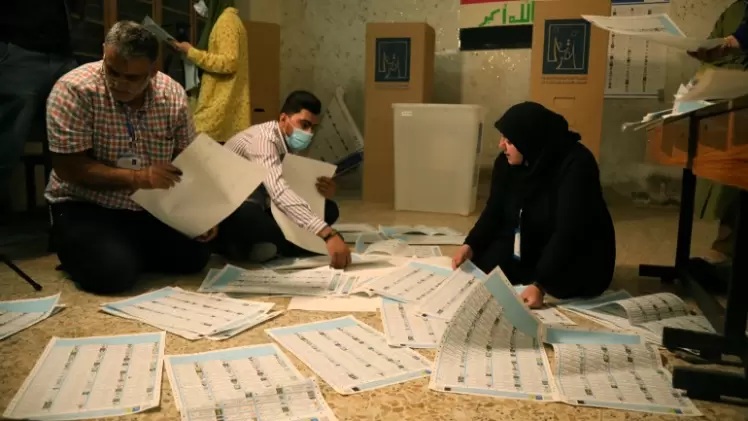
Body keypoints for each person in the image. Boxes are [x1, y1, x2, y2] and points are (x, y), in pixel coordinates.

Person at [45, 21, 217, 295]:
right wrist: (138, 178)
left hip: (149, 207)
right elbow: (69, 168)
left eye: (133, 77)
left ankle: (121, 251)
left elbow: (187, 158)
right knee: (111, 275)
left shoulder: (172, 95)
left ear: (153, 70)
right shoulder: (73, 89)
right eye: (112, 71)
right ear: (104, 52)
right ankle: (95, 249)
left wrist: (201, 212)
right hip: (86, 204)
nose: (119, 83)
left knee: (196, 256)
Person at [452, 102, 616, 309]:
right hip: (529, 237)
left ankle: (541, 276)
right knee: (485, 267)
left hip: (577, 246)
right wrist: (471, 245)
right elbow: (494, 209)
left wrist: (541, 283)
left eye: (509, 141)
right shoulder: (507, 162)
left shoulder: (576, 164)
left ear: (528, 142)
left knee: (565, 283)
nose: (501, 145)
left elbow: (570, 230)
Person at [219, 90, 351, 269]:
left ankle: (274, 246)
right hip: (233, 208)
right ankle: (270, 246)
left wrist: (322, 192)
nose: (309, 133)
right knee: (248, 217)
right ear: (283, 119)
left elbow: (290, 187)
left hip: (265, 203)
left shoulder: (287, 143)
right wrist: (327, 234)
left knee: (330, 209)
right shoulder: (263, 141)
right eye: (304, 124)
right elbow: (279, 191)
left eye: (313, 127)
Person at [0, 0, 83, 217]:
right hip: (18, 49)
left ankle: (69, 222)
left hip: (62, 53)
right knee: (6, 143)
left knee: (74, 143)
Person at [688, 0, 747, 265]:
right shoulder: (734, 10)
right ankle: (726, 244)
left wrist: (738, 41)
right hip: (725, 104)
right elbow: (715, 47)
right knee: (728, 178)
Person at [171, 0, 249, 143]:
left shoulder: (226, 21)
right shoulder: (229, 19)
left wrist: (191, 52)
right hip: (223, 105)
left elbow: (229, 62)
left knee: (194, 143)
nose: (201, 4)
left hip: (219, 104)